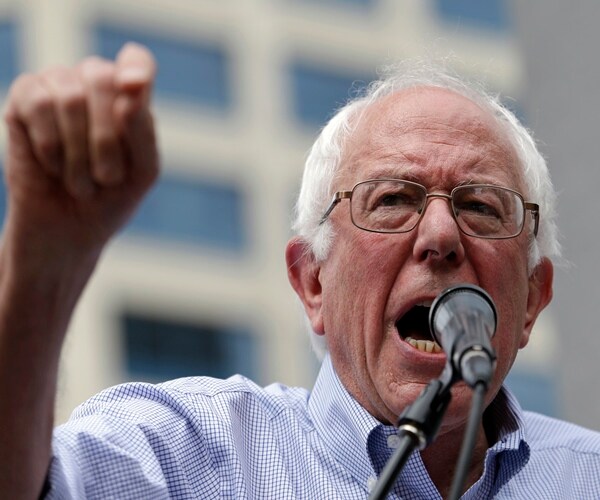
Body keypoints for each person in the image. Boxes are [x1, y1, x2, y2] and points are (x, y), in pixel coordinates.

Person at [0, 42, 598, 499]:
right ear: (313, 282)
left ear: (530, 301)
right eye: (392, 199)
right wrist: (42, 266)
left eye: (481, 208)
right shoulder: (193, 455)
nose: (440, 235)